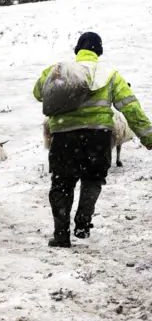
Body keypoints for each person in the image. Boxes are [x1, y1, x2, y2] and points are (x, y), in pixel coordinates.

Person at [33, 32, 152, 248]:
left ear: (77, 50)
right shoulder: (110, 75)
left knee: (62, 184)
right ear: (99, 51)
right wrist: (147, 136)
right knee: (92, 179)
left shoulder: (58, 70)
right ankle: (83, 222)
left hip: (63, 137)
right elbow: (130, 107)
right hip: (98, 138)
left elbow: (39, 93)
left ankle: (61, 235)